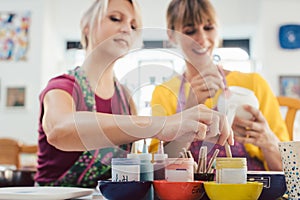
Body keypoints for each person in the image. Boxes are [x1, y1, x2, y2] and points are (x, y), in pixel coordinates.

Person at [35, 0, 233, 188]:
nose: (126, 29)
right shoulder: (63, 86)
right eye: (115, 18)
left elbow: (143, 170)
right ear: (86, 26)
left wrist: (184, 130)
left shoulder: (125, 98)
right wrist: (161, 124)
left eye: (133, 25)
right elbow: (59, 129)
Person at [149, 0, 289, 171]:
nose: (202, 39)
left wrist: (268, 142)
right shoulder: (164, 93)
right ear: (172, 36)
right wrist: (189, 110)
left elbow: (288, 170)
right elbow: (158, 171)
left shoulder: (253, 84)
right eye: (190, 31)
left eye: (208, 28)